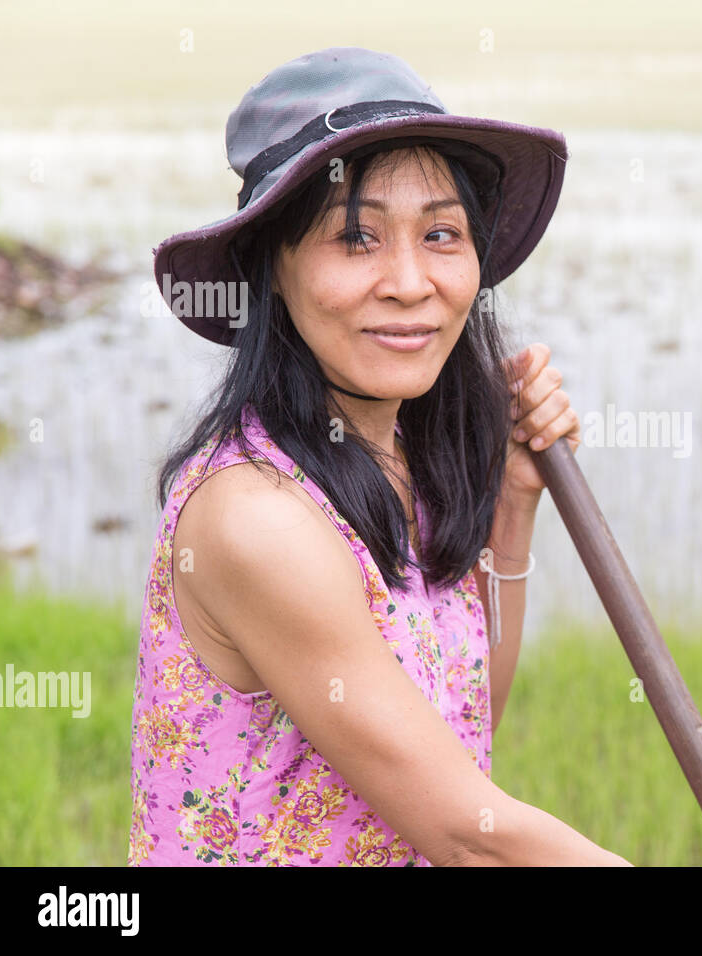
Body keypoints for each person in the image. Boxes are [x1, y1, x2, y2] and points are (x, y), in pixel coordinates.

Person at [127, 47, 631, 866]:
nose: (408, 281)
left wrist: (512, 500)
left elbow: (461, 732)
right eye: (355, 239)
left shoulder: (400, 467)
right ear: (274, 272)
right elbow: (469, 834)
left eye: (440, 233)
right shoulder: (254, 516)